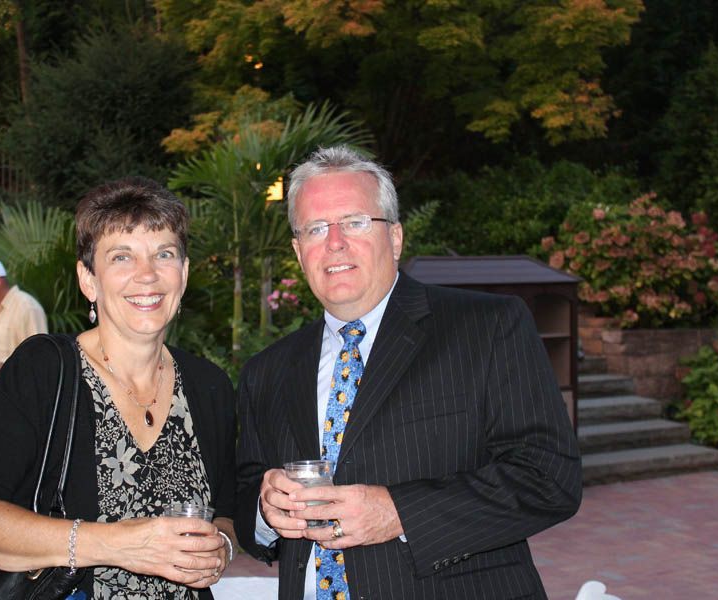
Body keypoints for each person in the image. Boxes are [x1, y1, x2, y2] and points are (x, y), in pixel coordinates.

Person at [234, 146, 582, 599]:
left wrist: (399, 513)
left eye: (355, 222)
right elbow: (246, 495)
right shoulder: (267, 371)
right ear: (300, 253)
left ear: (395, 237)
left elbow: (549, 477)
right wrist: (265, 510)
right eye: (316, 228)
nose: (335, 242)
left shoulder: (487, 327)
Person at [0, 177, 238, 599]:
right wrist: (119, 544)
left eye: (164, 254)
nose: (147, 275)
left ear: (184, 273)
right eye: (122, 257)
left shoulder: (209, 387)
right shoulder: (45, 371)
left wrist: (221, 547)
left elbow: (225, 513)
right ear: (88, 279)